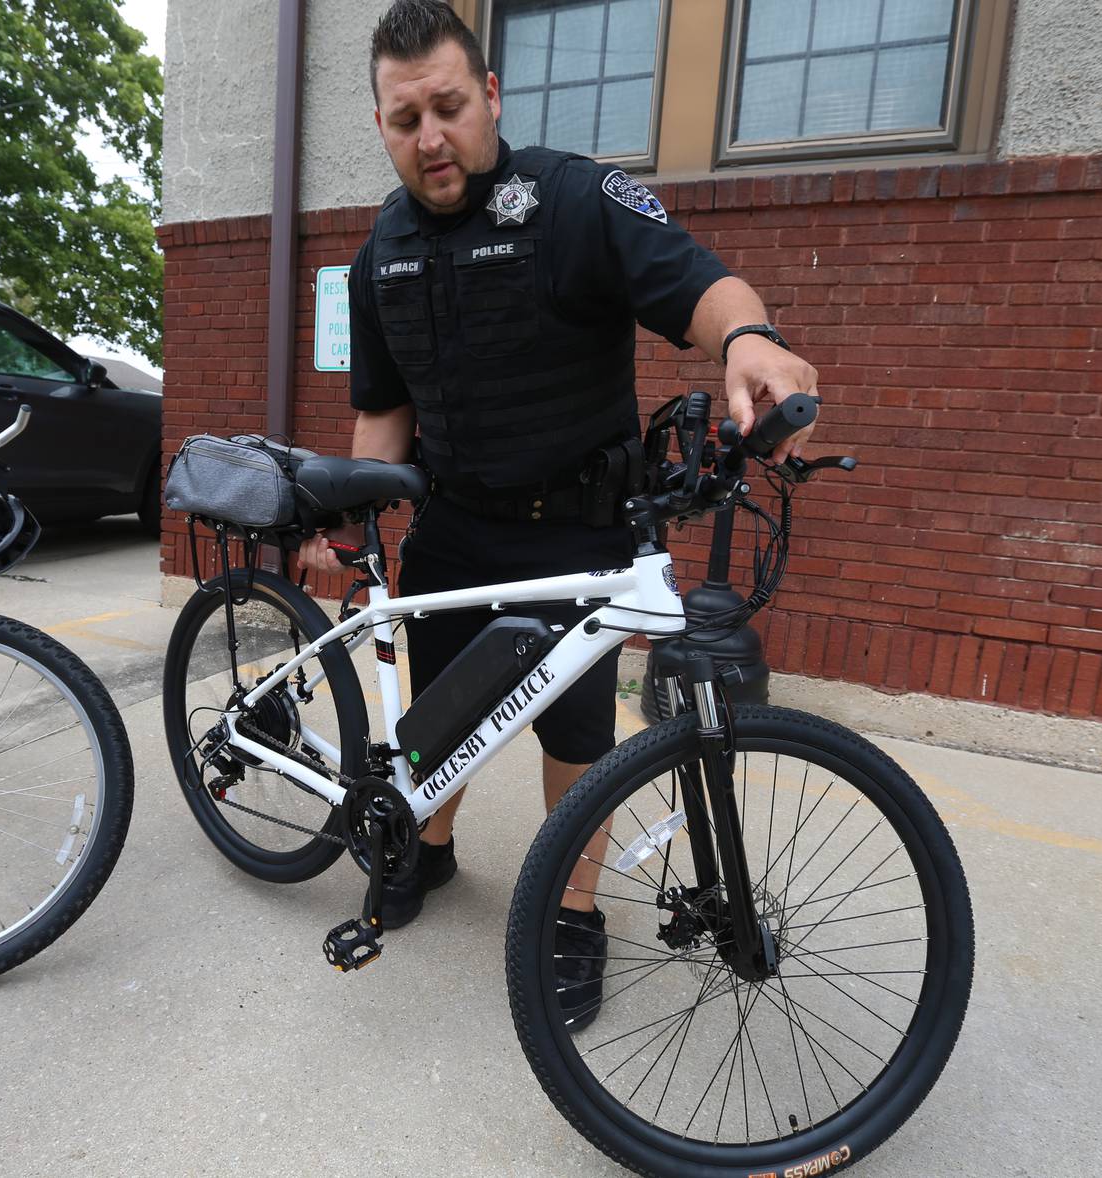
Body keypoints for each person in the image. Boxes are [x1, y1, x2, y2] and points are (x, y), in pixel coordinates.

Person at [299, 0, 818, 1030]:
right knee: (434, 716)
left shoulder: (576, 199)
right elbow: (382, 409)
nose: (431, 137)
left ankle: (574, 913)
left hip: (584, 528)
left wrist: (749, 337)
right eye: (406, 121)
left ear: (489, 96)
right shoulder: (381, 251)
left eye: (448, 106)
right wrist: (355, 526)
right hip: (451, 526)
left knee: (580, 735)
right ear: (382, 127)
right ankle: (428, 849)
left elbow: (698, 285)